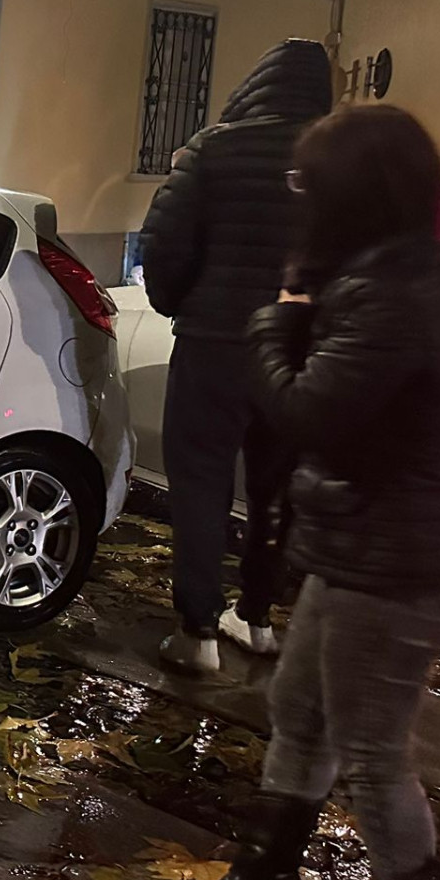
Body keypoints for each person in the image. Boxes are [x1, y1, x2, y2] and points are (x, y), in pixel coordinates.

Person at [177, 106, 440, 880]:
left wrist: (273, 326)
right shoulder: (386, 273)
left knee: (373, 754)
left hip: (398, 569)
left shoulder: (393, 292)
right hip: (365, 548)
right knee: (298, 706)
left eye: (305, 184)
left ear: (350, 194)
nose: (297, 199)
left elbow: (308, 414)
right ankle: (264, 874)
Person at [138, 38, 334, 672]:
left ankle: (197, 632)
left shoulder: (214, 149)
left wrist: (177, 304)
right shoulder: (340, 161)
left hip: (215, 345)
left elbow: (164, 243)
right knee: (277, 490)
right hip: (302, 350)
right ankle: (255, 616)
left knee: (200, 484)